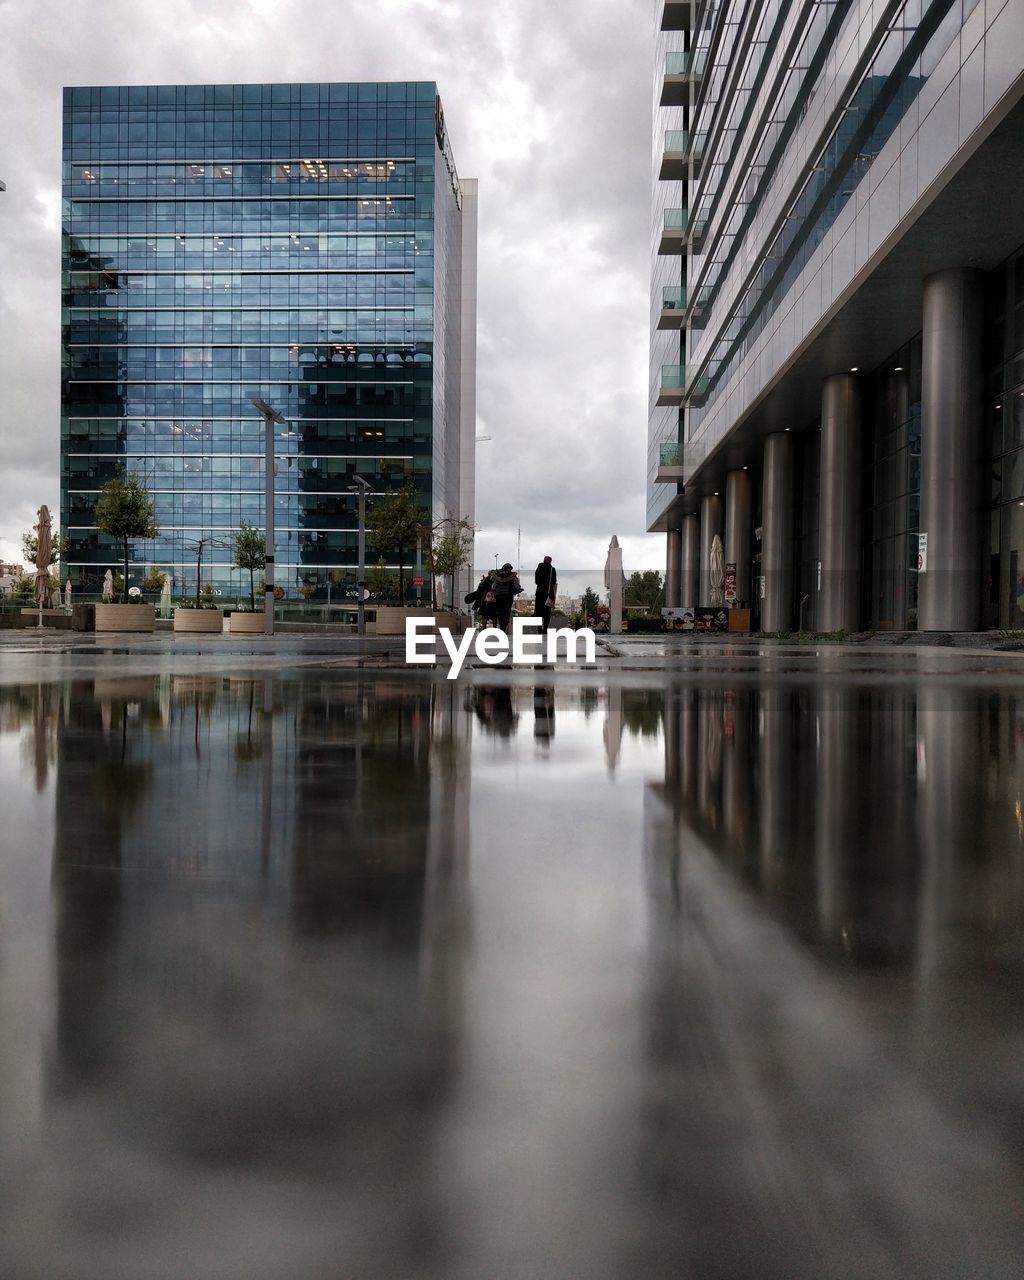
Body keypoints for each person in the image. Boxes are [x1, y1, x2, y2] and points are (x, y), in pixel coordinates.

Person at [490, 562, 523, 631]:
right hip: (508, 596)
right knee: (507, 612)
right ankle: (503, 627)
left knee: (500, 612)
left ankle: (501, 626)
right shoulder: (513, 577)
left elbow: (493, 586)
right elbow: (517, 586)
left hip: (498, 596)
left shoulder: (498, 577)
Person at [534, 556, 557, 630]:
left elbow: (536, 581)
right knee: (547, 612)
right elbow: (554, 582)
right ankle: (545, 628)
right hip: (548, 594)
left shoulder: (539, 568)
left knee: (538, 610)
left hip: (539, 593)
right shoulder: (552, 569)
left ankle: (539, 627)